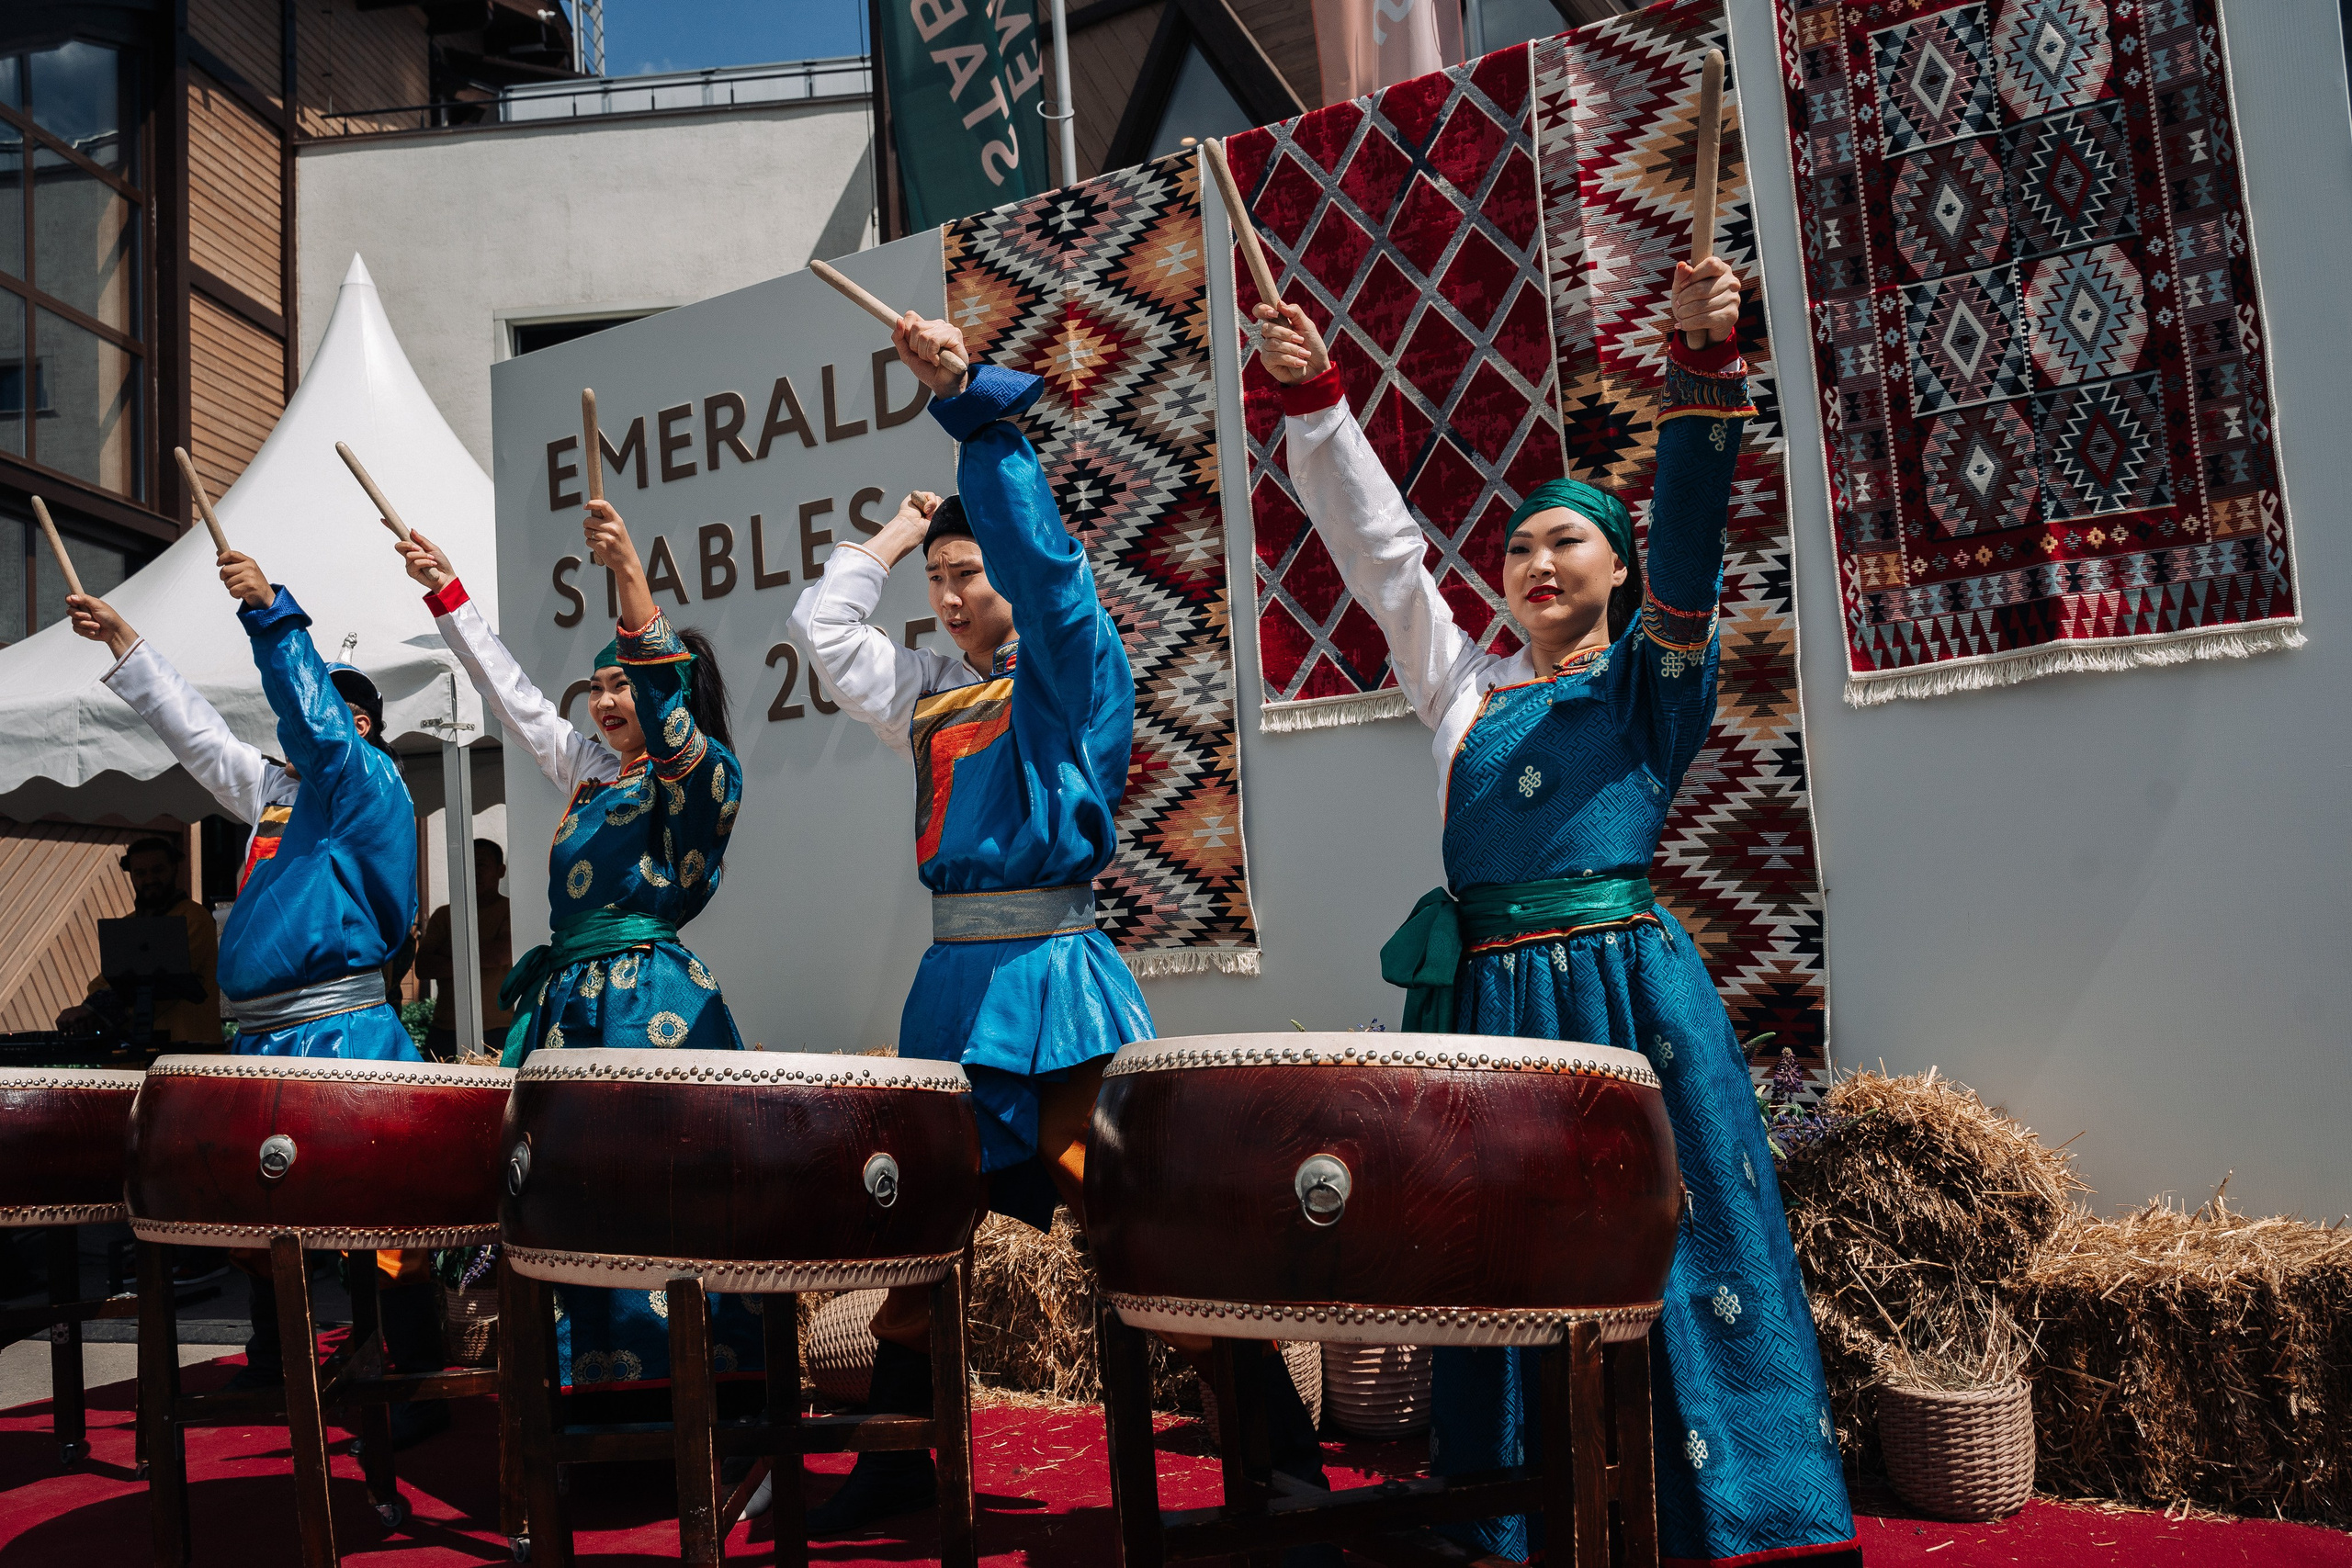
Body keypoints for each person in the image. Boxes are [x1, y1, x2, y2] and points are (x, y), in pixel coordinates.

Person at [1253, 263, 1861, 1567]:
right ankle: (1520, 1519)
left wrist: (1701, 371)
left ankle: (1733, 1513)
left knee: (1683, 1260)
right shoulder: (1465, 695)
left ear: (1621, 572)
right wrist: (1317, 402)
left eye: (1566, 537)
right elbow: (1385, 559)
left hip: (1628, 1010)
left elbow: (1693, 540)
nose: (1533, 557)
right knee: (1510, 1274)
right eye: (1520, 542)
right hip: (1496, 1017)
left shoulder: (1654, 686)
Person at [786, 313, 1323, 1544]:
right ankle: (897, 1460)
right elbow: (824, 635)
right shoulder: (929, 696)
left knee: (1136, 1220)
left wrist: (977, 418)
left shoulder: (1075, 677)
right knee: (923, 1233)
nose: (954, 592)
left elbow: (1054, 579)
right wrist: (897, 539)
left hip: (1052, 981)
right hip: (951, 985)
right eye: (941, 583)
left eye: (968, 573)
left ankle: (1280, 1467)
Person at [392, 498, 761, 1394]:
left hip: (649, 1010)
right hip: (566, 1015)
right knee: (569, 1207)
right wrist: (448, 596)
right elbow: (512, 697)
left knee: (651, 1198)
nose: (603, 701)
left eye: (623, 683)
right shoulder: (591, 777)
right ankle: (582, 1402)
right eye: (596, 686)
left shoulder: (701, 776)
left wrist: (630, 575)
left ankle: (687, 1399)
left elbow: (672, 713)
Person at [66, 553, 435, 1421]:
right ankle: (278, 1355)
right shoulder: (279, 794)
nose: (311, 722)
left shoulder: (369, 784)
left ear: (363, 728)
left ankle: (410, 1380)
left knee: (372, 1223)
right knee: (253, 1214)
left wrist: (273, 614)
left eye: (336, 710)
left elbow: (318, 727)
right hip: (263, 1039)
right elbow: (198, 734)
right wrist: (127, 643)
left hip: (339, 1032)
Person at [59, 833, 221, 1048]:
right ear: (131, 876)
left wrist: (92, 1010)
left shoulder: (194, 918)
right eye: (140, 873)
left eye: (158, 870)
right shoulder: (127, 925)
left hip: (187, 1056)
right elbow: (106, 981)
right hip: (133, 1057)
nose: (149, 879)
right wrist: (89, 1011)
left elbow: (162, 978)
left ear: (174, 868)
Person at [413, 838, 514, 1059]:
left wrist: (450, 950)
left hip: (497, 1028)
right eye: (469, 864)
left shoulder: (510, 910)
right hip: (446, 1028)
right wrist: (478, 957)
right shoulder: (443, 915)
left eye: (481, 865)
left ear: (501, 870)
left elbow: (500, 956)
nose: (474, 871)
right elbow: (423, 967)